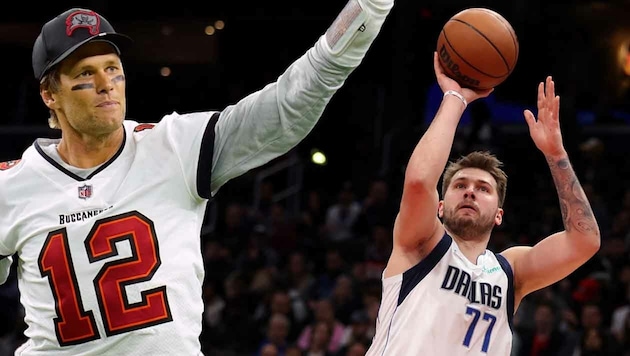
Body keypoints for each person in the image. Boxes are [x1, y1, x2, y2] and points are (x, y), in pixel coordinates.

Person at [0, 2, 394, 355]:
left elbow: (285, 107)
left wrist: (367, 12)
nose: (106, 84)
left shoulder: (175, 146)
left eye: (113, 69)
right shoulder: (11, 186)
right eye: (85, 73)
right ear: (50, 94)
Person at [365, 53, 601, 355]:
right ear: (439, 207)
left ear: (499, 215)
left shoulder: (509, 270)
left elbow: (585, 241)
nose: (470, 192)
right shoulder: (421, 244)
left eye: (483, 188)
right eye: (460, 185)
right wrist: (454, 97)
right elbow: (419, 182)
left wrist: (556, 154)